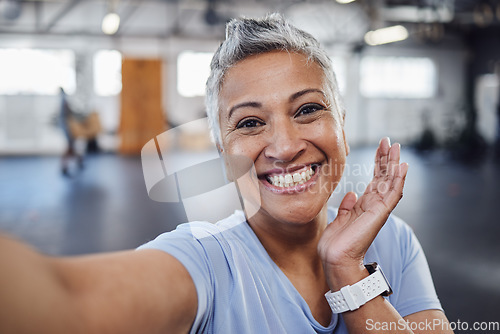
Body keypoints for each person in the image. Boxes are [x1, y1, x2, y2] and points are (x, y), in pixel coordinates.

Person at [0, 14, 452, 334]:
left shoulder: (394, 241)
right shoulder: (205, 265)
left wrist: (348, 270)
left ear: (342, 122)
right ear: (222, 152)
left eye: (309, 109)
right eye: (250, 122)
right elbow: (66, 306)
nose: (285, 146)